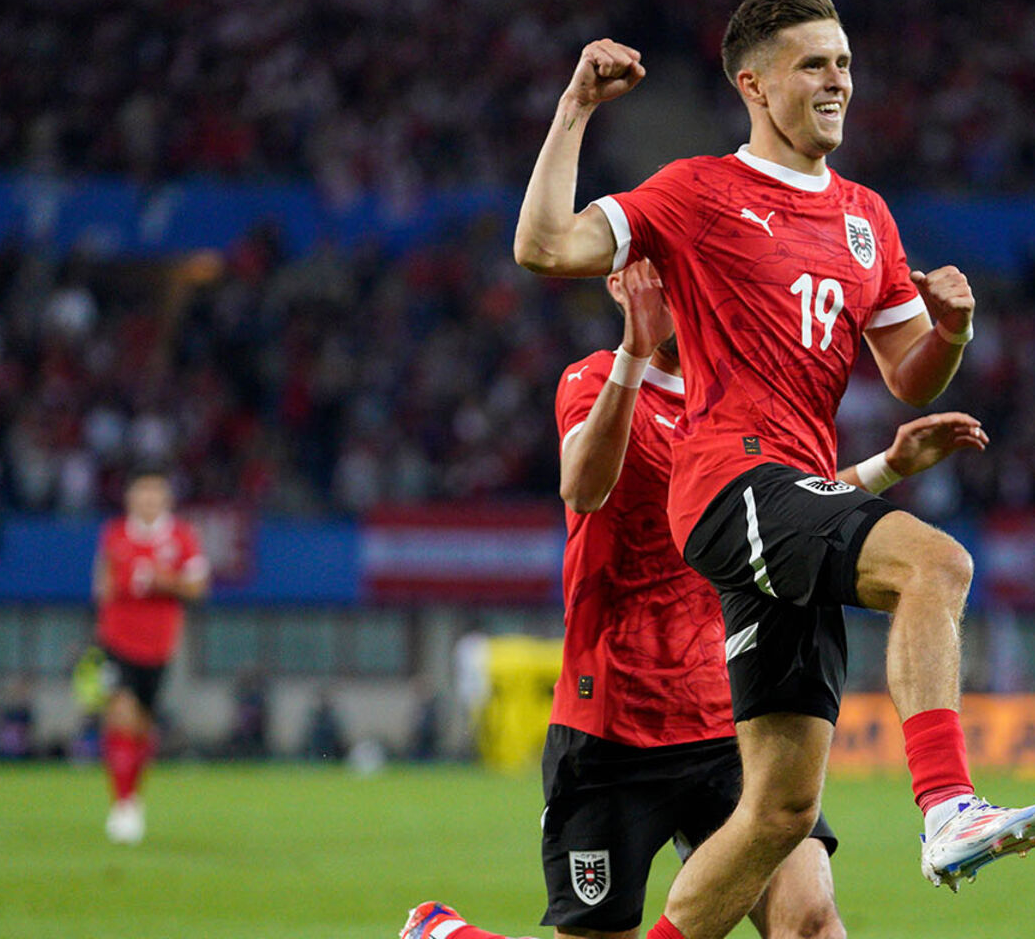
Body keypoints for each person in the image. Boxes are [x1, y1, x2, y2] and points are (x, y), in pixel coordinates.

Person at [506, 0, 1035, 939]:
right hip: (732, 479)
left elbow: (906, 374)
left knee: (780, 814)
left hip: (793, 492)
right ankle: (947, 807)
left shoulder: (865, 218)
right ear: (754, 85)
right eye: (815, 64)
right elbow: (543, 246)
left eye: (845, 63)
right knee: (938, 564)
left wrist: (957, 330)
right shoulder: (694, 191)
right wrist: (574, 108)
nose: (838, 81)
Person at [402, 259, 992, 939]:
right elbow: (583, 489)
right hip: (615, 725)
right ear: (622, 287)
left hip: (730, 717)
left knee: (811, 925)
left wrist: (886, 467)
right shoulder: (592, 379)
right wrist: (633, 349)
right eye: (662, 274)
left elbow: (770, 515)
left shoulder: (741, 396)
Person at [91, 466, 210, 844]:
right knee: (120, 713)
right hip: (117, 641)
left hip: (158, 647)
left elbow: (198, 588)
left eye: (155, 494)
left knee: (142, 727)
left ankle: (133, 797)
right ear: (130, 498)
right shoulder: (115, 535)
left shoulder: (182, 537)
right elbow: (103, 584)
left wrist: (164, 581)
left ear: (165, 499)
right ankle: (122, 806)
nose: (147, 500)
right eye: (141, 493)